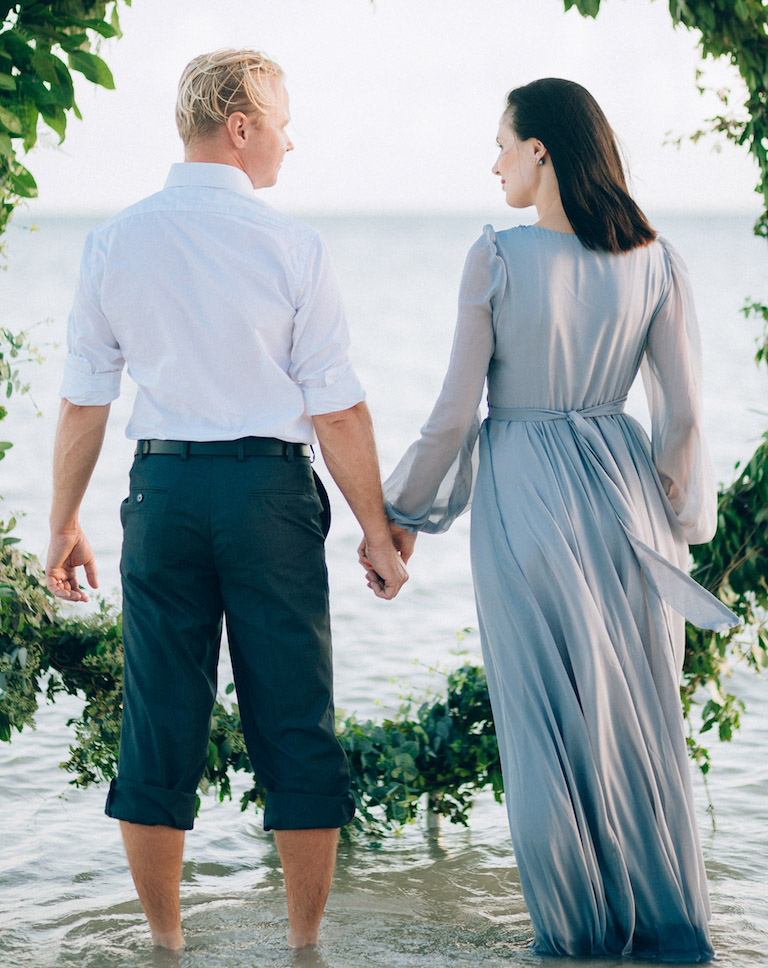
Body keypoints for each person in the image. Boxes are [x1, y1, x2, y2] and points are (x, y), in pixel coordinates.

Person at [45, 47, 408, 952]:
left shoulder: (113, 241)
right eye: (282, 121)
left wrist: (62, 522)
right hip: (268, 498)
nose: (291, 140)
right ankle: (304, 948)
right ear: (241, 125)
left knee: (160, 721)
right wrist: (378, 533)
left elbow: (87, 397)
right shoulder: (291, 246)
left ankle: (167, 949)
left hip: (162, 493)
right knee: (293, 719)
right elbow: (338, 402)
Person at [376, 78, 738, 961]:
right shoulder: (655, 259)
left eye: (502, 141)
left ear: (540, 150)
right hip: (628, 504)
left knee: (542, 723)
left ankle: (576, 938)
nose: (493, 159)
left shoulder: (496, 256)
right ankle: (663, 930)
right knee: (639, 721)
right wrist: (678, 523)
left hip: (527, 494)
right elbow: (685, 415)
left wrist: (401, 513)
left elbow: (456, 413)